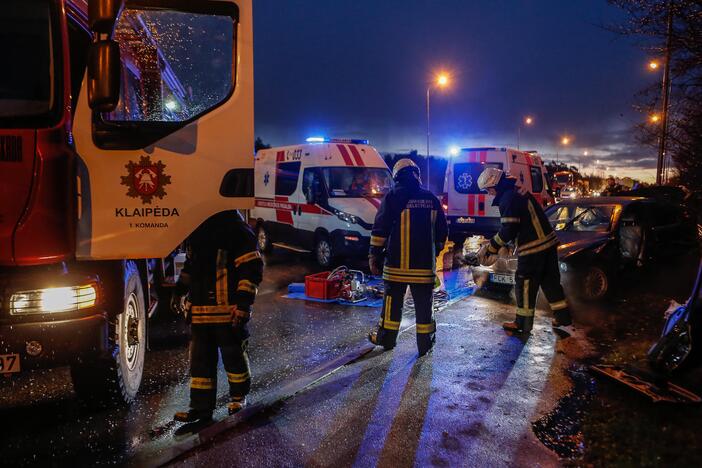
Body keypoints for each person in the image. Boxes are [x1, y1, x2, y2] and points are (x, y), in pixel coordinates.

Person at [172, 210, 263, 431]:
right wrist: (180, 290)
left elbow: (251, 268)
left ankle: (238, 397)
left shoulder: (236, 229)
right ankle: (201, 409)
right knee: (200, 362)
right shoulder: (200, 227)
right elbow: (192, 267)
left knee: (233, 357)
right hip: (201, 311)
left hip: (228, 310)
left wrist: (243, 304)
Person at [476, 167, 572, 336]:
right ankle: (563, 317)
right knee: (550, 281)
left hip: (533, 246)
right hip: (548, 243)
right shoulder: (515, 191)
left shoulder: (507, 197)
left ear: (495, 185)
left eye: (488, 189)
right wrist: (508, 244)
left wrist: (491, 247)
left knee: (524, 283)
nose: (489, 193)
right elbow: (519, 224)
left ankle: (522, 323)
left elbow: (509, 228)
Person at [368, 159, 448, 356]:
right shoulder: (431, 198)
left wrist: (374, 256)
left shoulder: (392, 197)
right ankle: (425, 345)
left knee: (392, 305)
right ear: (417, 174)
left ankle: (387, 340)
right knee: (424, 308)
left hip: (395, 268)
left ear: (397, 176)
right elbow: (442, 233)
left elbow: (380, 230)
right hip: (423, 269)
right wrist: (434, 252)